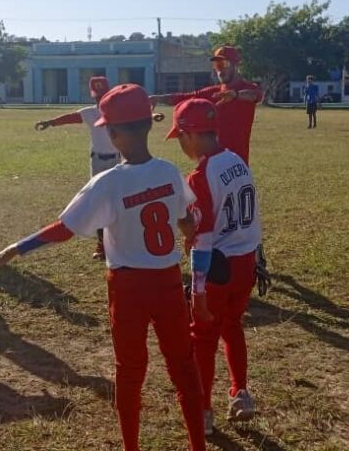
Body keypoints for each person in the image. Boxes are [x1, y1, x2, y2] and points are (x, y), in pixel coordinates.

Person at [0, 84, 208, 451]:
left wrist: (18, 247)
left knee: (130, 371)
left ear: (112, 133)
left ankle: (131, 446)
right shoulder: (170, 172)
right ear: (148, 126)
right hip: (168, 281)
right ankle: (197, 444)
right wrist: (188, 235)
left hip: (128, 287)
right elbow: (186, 219)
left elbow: (64, 229)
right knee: (183, 367)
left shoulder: (106, 183)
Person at [166, 98, 262, 434]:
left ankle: (203, 410)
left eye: (180, 137)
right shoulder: (236, 159)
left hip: (218, 267)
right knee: (232, 326)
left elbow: (202, 239)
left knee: (203, 338)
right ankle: (240, 393)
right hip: (246, 262)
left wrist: (199, 290)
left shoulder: (201, 175)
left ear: (190, 134)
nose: (180, 145)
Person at [149, 46, 272, 297]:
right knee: (215, 217)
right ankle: (233, 261)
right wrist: (156, 98)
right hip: (212, 163)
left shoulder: (245, 88)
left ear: (236, 65)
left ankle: (244, 259)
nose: (219, 71)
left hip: (235, 164)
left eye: (224, 65)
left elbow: (254, 95)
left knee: (231, 217)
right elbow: (186, 96)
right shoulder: (214, 92)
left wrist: (235, 94)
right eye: (216, 65)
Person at [34, 76, 119, 260]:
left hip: (116, 161)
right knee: (97, 202)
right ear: (93, 96)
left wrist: (153, 115)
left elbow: (136, 116)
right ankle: (101, 245)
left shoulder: (118, 110)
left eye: (103, 95)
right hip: (97, 161)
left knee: (115, 202)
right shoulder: (89, 113)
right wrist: (50, 122)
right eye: (97, 96)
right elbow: (71, 118)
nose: (100, 100)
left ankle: (116, 242)